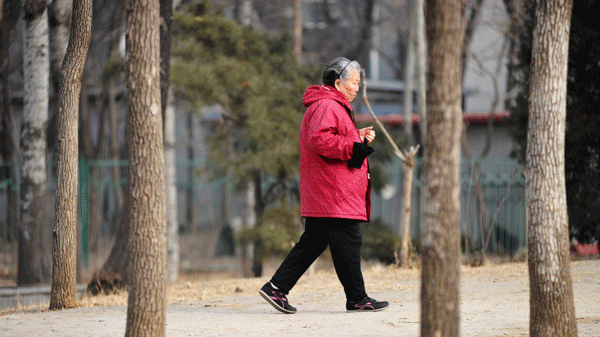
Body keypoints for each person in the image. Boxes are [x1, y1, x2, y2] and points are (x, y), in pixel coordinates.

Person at [258, 57, 389, 314]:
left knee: (315, 241)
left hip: (328, 190)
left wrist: (355, 136)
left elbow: (328, 136)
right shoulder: (327, 105)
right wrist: (352, 147)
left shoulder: (330, 104)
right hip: (334, 192)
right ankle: (357, 298)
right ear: (338, 82)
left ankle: (276, 288)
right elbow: (320, 139)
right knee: (349, 241)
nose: (357, 88)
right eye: (354, 82)